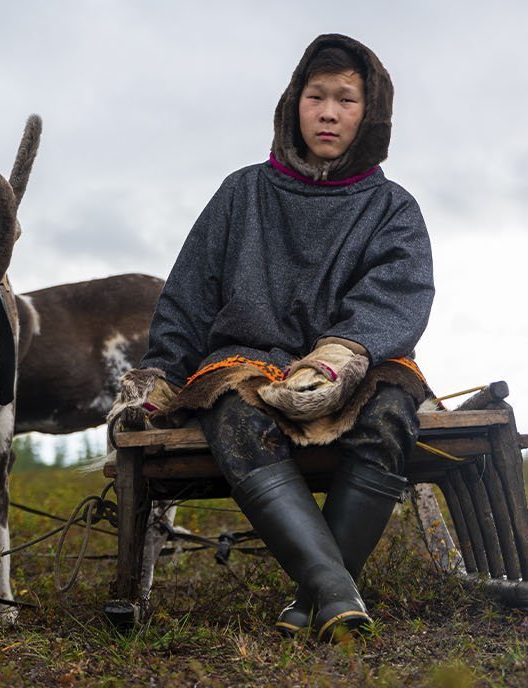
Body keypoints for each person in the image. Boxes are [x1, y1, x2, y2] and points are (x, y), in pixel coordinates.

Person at [110, 33, 435, 641]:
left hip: (354, 364)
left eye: (346, 100)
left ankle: (312, 600)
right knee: (230, 407)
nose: (329, 113)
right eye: (317, 97)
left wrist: (339, 357)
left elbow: (398, 296)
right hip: (249, 362)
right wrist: (160, 376)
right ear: (294, 105)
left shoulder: (393, 208)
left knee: (392, 412)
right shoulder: (242, 193)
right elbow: (190, 294)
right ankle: (335, 594)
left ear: (370, 114)